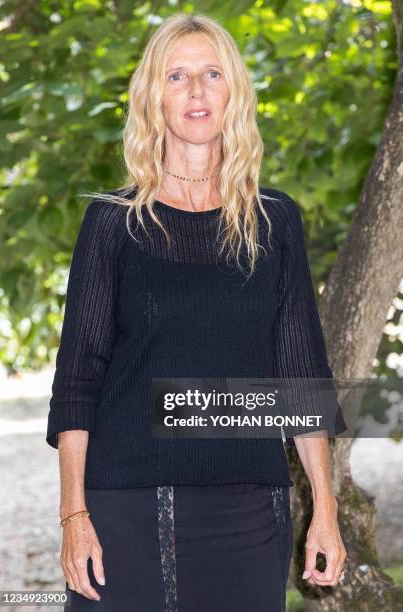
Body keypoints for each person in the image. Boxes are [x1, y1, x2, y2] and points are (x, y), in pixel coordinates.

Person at [46, 13, 347, 612]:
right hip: (123, 506)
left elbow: (301, 376)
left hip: (248, 507)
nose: (196, 91)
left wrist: (325, 511)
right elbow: (78, 379)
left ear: (233, 89)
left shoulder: (274, 221)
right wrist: (73, 514)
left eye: (211, 73)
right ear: (154, 97)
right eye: (177, 76)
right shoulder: (112, 222)